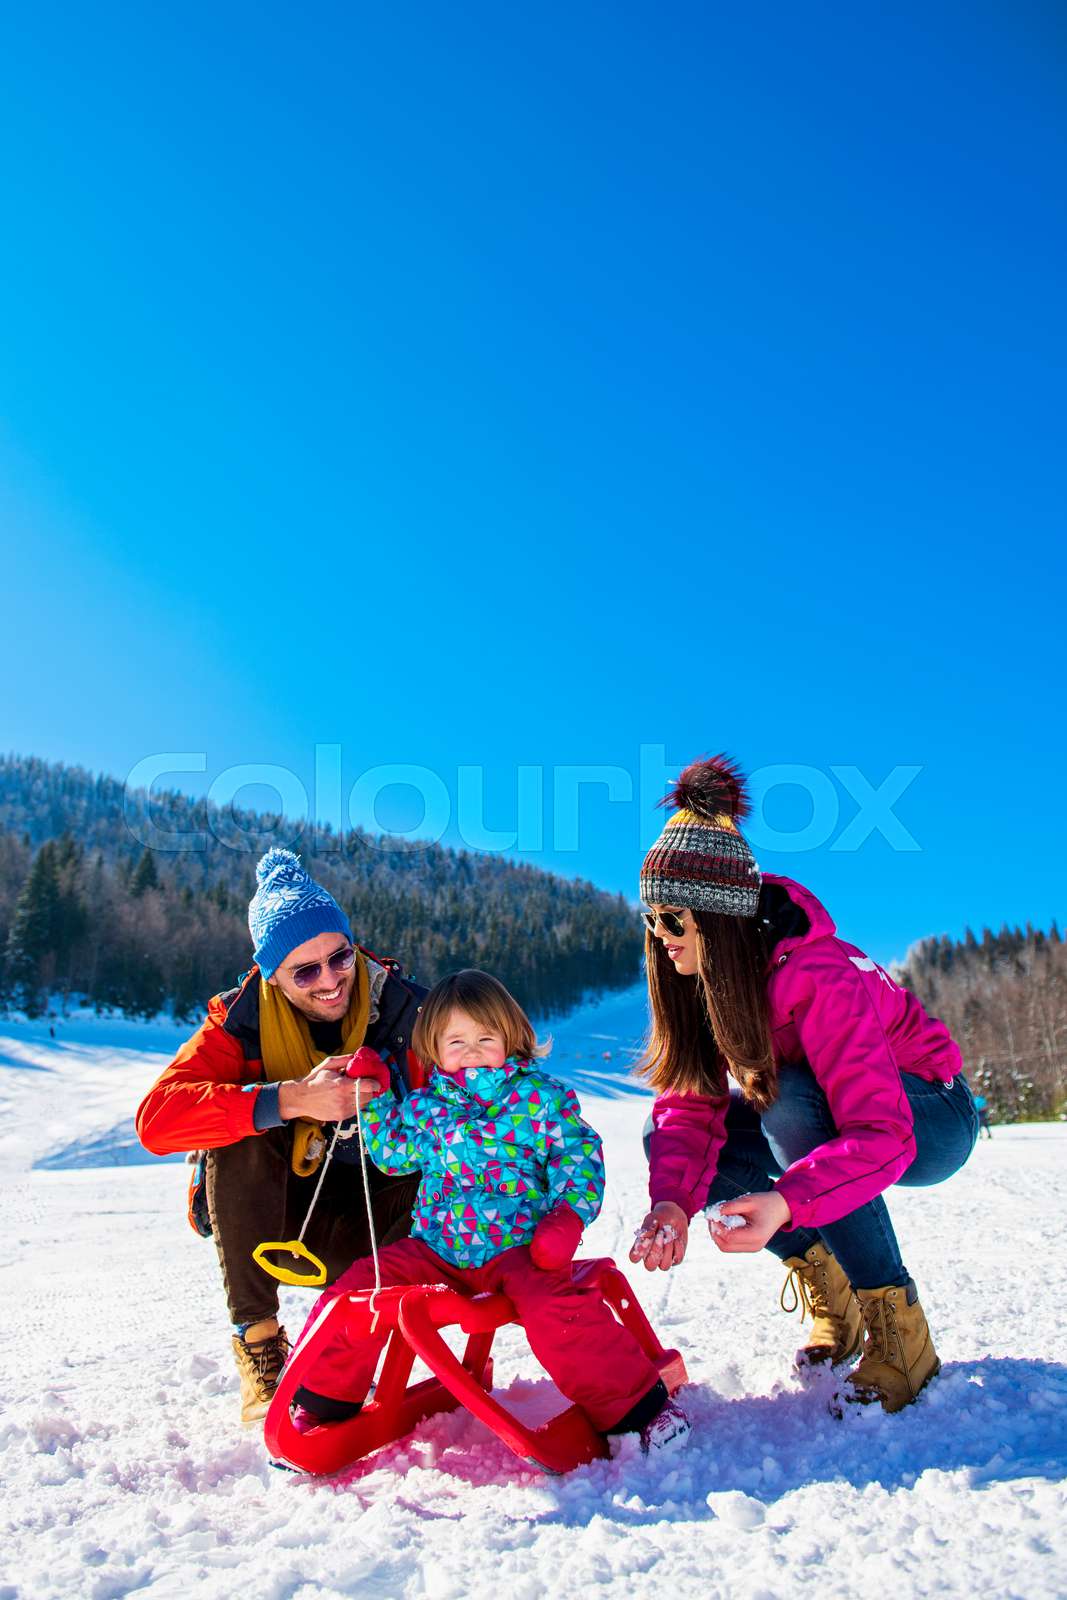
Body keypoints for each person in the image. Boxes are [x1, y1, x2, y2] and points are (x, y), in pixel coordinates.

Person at [629, 755, 979, 1414]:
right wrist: (673, 1201)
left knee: (787, 1100)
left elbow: (881, 1134)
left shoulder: (816, 974)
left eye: (674, 919)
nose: (660, 937)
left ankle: (901, 1338)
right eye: (652, 920)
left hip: (930, 1117)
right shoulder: (701, 983)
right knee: (671, 1129)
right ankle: (833, 1293)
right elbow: (687, 1113)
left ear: (720, 915)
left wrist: (784, 1202)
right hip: (831, 1119)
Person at [286, 969, 691, 1454]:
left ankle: (637, 1411)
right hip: (436, 1249)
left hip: (519, 1250)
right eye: (456, 1040)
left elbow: (577, 1157)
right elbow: (392, 1153)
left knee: (555, 1308)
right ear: (433, 1048)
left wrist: (567, 1216)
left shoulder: (541, 1099)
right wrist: (374, 1098)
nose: (472, 1051)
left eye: (485, 1037)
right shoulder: (425, 1107)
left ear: (511, 1039)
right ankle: (321, 1398)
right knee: (362, 1287)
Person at [136, 848, 424, 1424]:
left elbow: (479, 1099)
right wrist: (290, 1100)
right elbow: (156, 1121)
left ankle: (353, 1344)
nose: (330, 980)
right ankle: (260, 1343)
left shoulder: (405, 1009)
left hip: (377, 1215)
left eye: (339, 957)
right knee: (236, 1126)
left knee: (442, 1171)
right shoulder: (239, 1022)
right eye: (305, 971)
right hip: (279, 1217)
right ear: (273, 976)